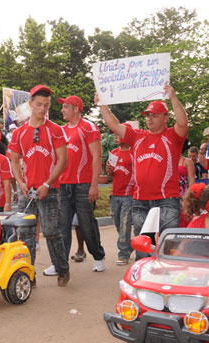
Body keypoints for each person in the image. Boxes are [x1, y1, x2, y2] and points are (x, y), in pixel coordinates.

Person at [96, 84, 189, 260]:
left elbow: (183, 123)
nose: (150, 119)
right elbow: (114, 125)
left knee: (168, 246)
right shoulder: (138, 136)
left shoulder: (172, 137)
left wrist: (173, 98)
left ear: (165, 117)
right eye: (147, 115)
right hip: (140, 200)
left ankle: (166, 280)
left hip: (167, 200)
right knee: (142, 246)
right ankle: (143, 280)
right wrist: (102, 104)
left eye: (155, 115)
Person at [9, 85, 69, 287]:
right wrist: (20, 182)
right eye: (38, 104)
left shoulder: (56, 130)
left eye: (46, 105)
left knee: (51, 231)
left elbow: (62, 160)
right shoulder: (19, 133)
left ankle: (62, 269)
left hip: (49, 189)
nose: (42, 109)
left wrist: (47, 183)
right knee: (25, 234)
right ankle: (28, 275)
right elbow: (14, 160)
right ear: (30, 104)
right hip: (28, 190)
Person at [52, 95, 105, 275]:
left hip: (83, 184)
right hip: (63, 184)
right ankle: (61, 263)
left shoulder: (88, 127)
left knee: (86, 224)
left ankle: (98, 256)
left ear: (75, 108)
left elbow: (97, 156)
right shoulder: (61, 130)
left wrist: (94, 185)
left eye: (65, 107)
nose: (62, 110)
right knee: (63, 226)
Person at [105, 131, 134, 266]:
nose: (115, 137)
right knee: (117, 223)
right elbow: (110, 174)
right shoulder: (114, 153)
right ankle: (128, 245)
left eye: (118, 135)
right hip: (115, 194)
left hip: (129, 195)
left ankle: (123, 254)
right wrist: (109, 170)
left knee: (125, 223)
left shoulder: (134, 153)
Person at [178, 142, 195, 226]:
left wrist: (189, 197)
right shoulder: (166, 160)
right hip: (169, 195)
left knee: (184, 219)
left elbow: (192, 180)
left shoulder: (188, 162)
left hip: (183, 196)